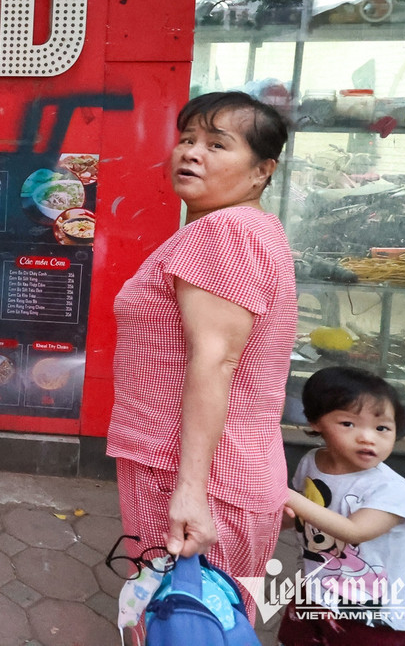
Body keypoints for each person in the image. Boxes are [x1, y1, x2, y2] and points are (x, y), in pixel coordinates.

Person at [107, 91, 296, 592]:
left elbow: (216, 362)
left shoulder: (228, 233)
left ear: (262, 170)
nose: (191, 152)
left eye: (217, 144)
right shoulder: (235, 228)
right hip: (208, 469)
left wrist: (191, 492)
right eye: (187, 139)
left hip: (202, 479)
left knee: (186, 619)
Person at [280, 367, 405, 645]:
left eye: (382, 427)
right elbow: (300, 514)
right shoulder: (312, 462)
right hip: (315, 593)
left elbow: (354, 531)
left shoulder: (393, 490)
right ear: (315, 422)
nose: (368, 437)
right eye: (348, 424)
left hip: (375, 613)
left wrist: (284, 494)